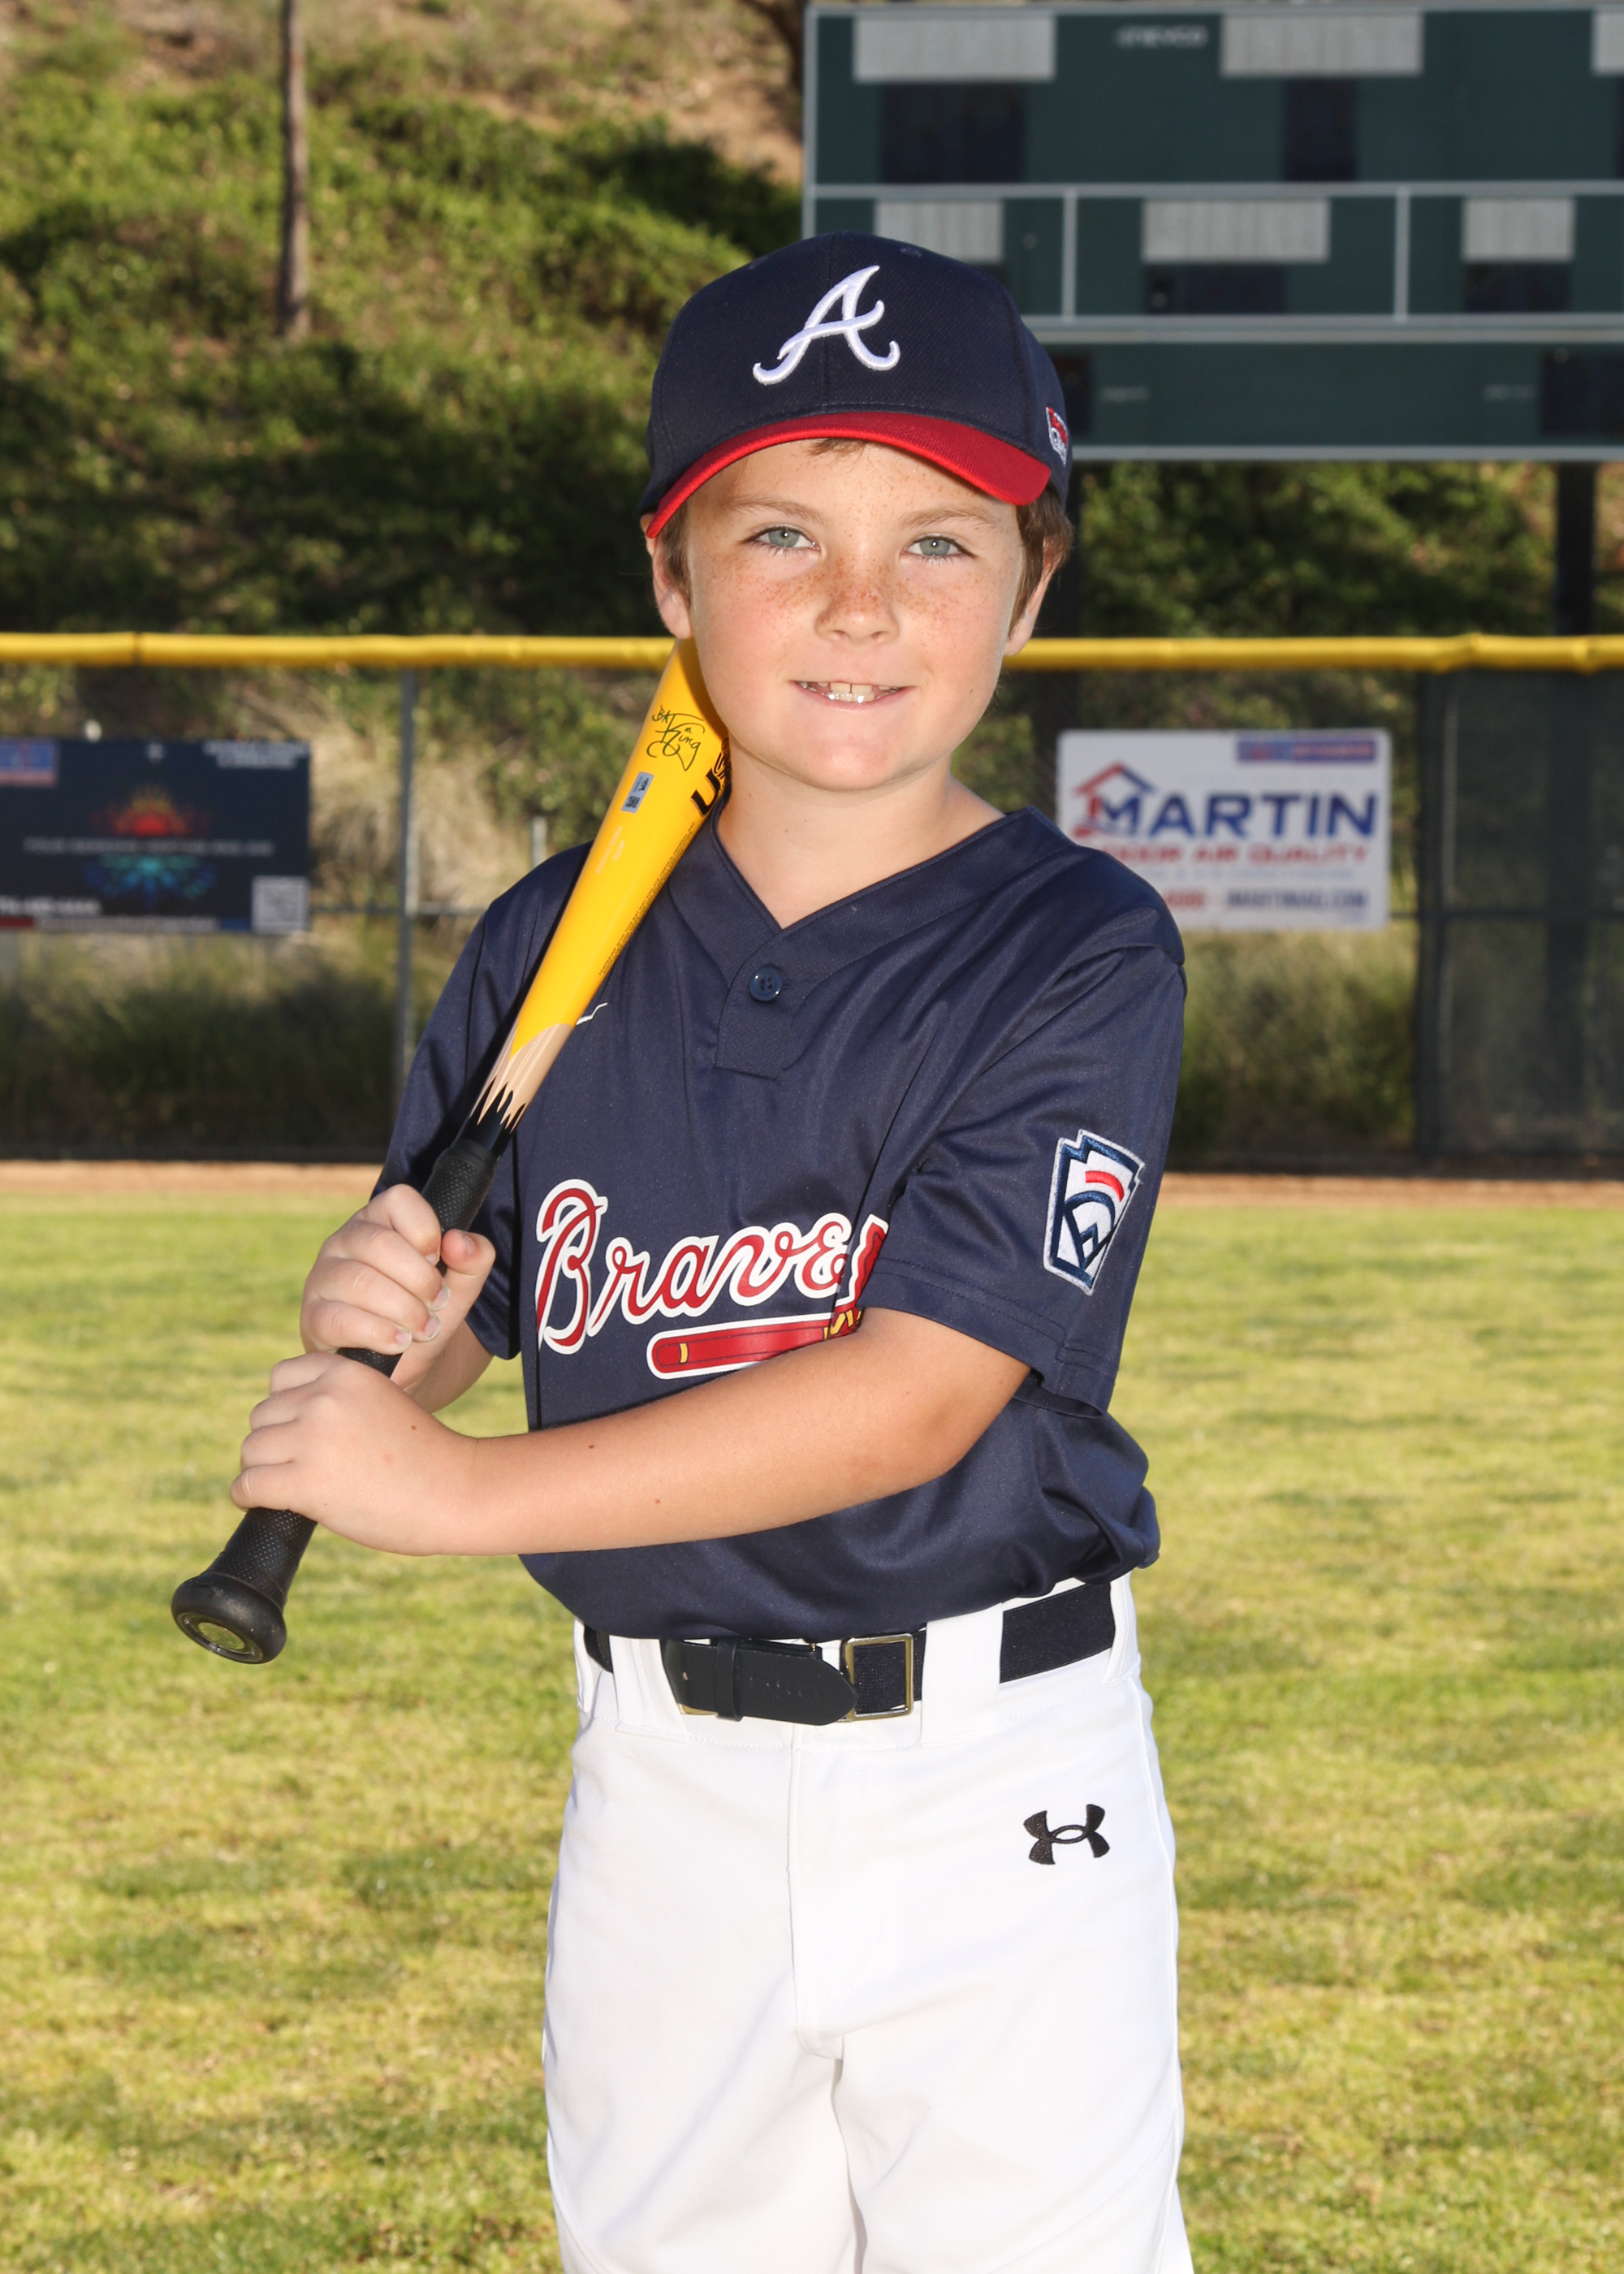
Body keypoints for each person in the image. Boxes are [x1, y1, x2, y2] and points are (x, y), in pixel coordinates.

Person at [233, 234, 1191, 2274]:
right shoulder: (546, 941)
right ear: (671, 578)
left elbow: (920, 1392)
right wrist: (400, 1336)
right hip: (659, 1779)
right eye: (782, 535)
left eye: (938, 543)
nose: (859, 603)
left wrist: (456, 1490)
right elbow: (473, 1301)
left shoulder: (1075, 945)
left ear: (1031, 590)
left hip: (991, 1768)